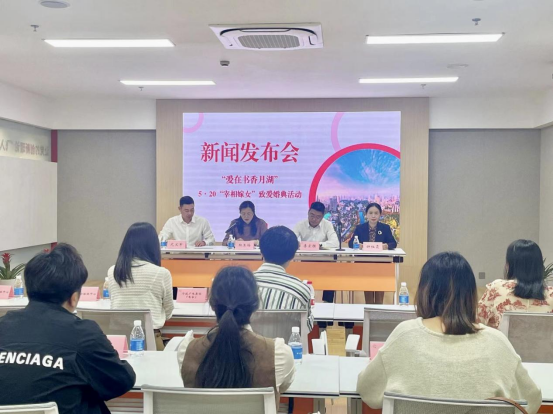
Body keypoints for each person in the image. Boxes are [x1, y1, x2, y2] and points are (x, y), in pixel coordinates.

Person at [357, 252, 542, 413]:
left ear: (424, 292)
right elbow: (531, 401)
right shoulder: (497, 343)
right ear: (471, 295)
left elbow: (368, 391)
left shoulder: (404, 335)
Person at [0, 244, 136, 414]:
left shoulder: (3, 325)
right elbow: (122, 381)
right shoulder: (83, 334)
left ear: (29, 290)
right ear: (74, 298)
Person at [179, 266, 295, 403]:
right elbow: (284, 386)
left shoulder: (187, 351)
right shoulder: (278, 355)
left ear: (212, 304)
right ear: (255, 305)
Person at [108, 222, 174, 351]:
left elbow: (114, 302)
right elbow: (168, 312)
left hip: (117, 344)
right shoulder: (161, 273)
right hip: (150, 342)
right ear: (153, 246)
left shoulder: (113, 271)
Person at [479, 239, 553, 330]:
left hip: (503, 339)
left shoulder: (496, 288)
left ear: (508, 265)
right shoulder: (551, 294)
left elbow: (477, 322)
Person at [254, 226, 314, 332]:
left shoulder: (240, 284)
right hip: (285, 343)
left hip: (244, 343)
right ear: (292, 256)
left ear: (261, 252)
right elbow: (305, 329)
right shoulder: (301, 289)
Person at [349, 202, 397, 305]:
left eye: (376, 213)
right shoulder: (360, 228)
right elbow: (350, 243)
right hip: (365, 264)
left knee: (379, 292)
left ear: (380, 214)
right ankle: (369, 310)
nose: (373, 216)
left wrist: (386, 246)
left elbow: (393, 243)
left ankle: (379, 310)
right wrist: (358, 245)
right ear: (366, 214)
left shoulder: (385, 228)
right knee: (368, 290)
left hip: (381, 264)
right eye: (370, 213)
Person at [294, 201, 339, 304]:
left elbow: (335, 242)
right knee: (303, 282)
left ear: (322, 216)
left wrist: (319, 245)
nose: (314, 219)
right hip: (306, 260)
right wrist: (298, 244)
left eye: (318, 217)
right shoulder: (300, 224)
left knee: (330, 278)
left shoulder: (327, 225)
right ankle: (304, 303)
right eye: (312, 215)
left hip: (324, 260)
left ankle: (327, 304)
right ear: (308, 212)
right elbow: (292, 239)